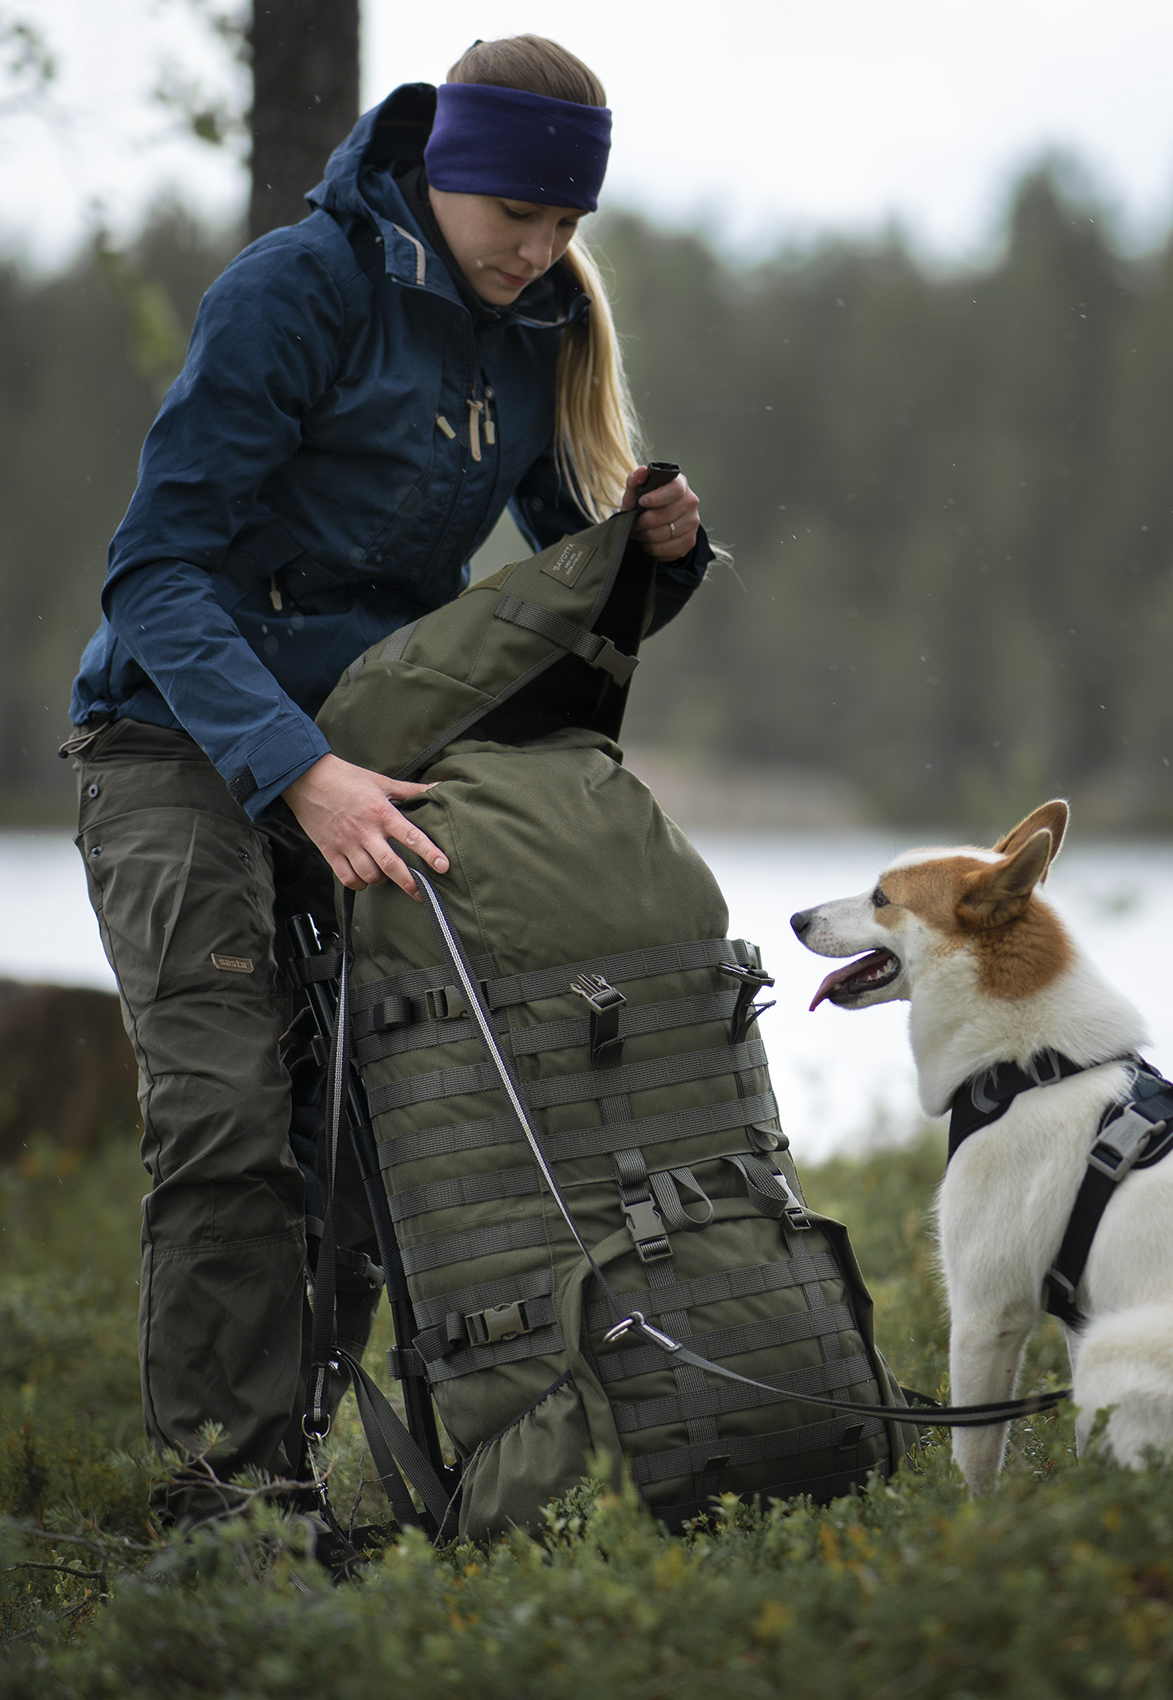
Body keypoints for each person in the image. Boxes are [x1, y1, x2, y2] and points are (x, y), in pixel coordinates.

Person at [63, 35, 711, 1525]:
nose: (543, 253)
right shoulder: (296, 290)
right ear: (448, 170)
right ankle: (223, 1498)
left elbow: (555, 591)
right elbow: (153, 575)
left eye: (568, 230)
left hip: (367, 757)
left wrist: (657, 562)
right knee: (230, 1109)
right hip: (172, 740)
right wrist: (298, 775)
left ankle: (287, 1453)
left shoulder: (535, 323)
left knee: (379, 1116)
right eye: (519, 222)